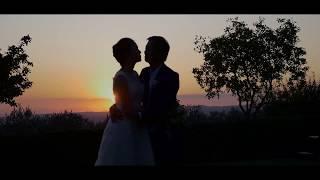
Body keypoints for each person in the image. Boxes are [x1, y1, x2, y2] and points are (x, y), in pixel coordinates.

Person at [109, 36, 180, 165]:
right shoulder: (143, 73)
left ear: (159, 52)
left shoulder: (171, 76)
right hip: (137, 130)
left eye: (148, 49)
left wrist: (139, 117)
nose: (144, 52)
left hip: (159, 133)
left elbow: (163, 107)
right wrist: (116, 106)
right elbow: (130, 95)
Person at [95, 38, 154, 166]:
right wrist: (140, 116)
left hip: (136, 125)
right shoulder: (120, 78)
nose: (139, 51)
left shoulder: (135, 74)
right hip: (124, 126)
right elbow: (126, 107)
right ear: (128, 54)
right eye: (136, 49)